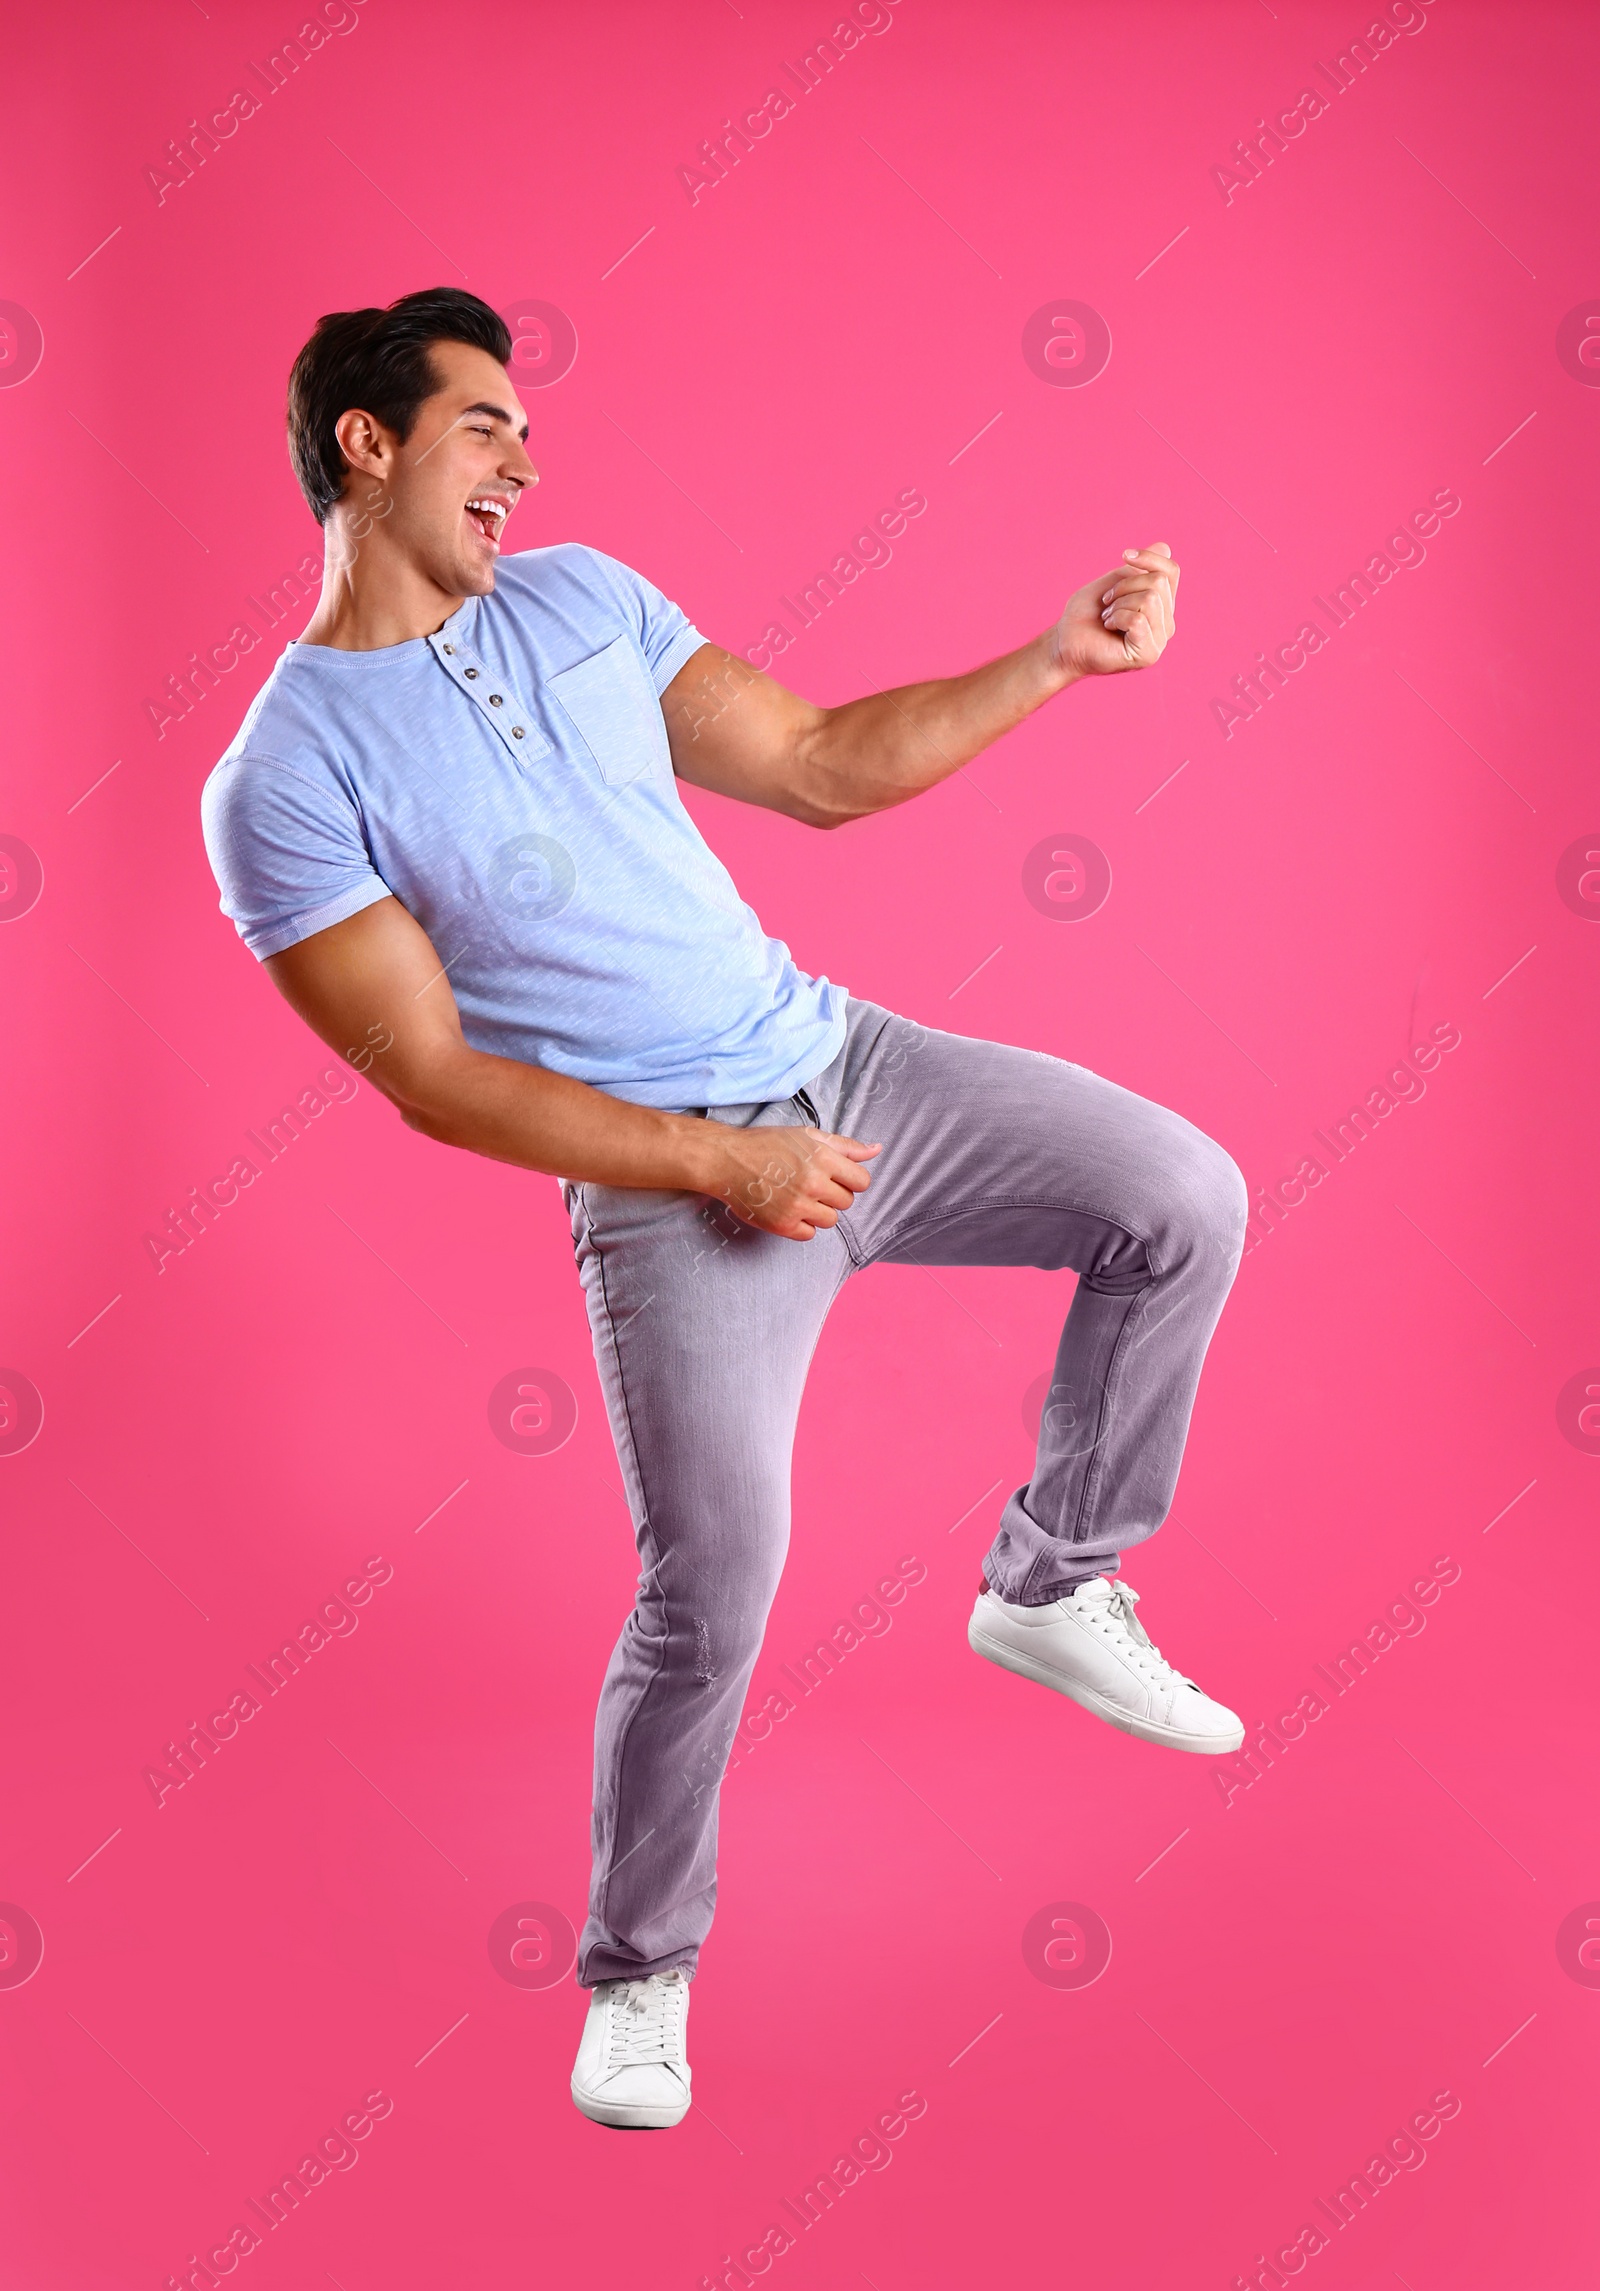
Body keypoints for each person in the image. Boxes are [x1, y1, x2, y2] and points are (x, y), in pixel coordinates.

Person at [201, 287, 1250, 2134]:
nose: (526, 459)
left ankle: (1054, 1579)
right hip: (667, 1181)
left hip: (843, 1064)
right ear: (368, 447)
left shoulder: (589, 600)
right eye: (484, 426)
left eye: (525, 430)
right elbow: (434, 1080)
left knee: (1181, 1193)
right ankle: (640, 1968)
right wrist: (718, 1168)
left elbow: (829, 765)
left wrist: (1054, 660)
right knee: (716, 1591)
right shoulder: (283, 777)